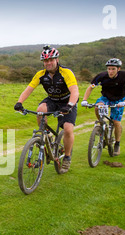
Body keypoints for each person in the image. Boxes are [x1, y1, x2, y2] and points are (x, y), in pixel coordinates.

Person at [14, 45, 79, 174]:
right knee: (40, 110)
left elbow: (74, 91)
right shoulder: (40, 75)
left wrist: (70, 105)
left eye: (51, 60)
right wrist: (19, 102)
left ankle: (66, 157)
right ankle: (47, 136)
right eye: (46, 61)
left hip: (67, 101)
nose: (48, 63)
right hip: (53, 99)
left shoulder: (66, 73)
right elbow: (29, 89)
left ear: (57, 60)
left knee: (67, 128)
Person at [81, 58, 125, 156]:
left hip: (119, 100)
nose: (110, 71)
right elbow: (90, 88)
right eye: (109, 69)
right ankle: (102, 125)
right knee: (97, 107)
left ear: (118, 69)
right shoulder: (101, 76)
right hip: (106, 98)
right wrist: (84, 100)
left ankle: (117, 144)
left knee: (116, 122)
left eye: (113, 69)